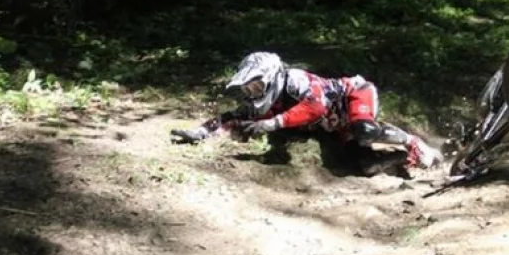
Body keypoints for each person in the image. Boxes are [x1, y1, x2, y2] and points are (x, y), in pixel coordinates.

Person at [171, 51, 443, 173]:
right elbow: (231, 118)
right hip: (335, 127)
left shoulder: (295, 79)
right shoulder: (265, 103)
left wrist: (272, 124)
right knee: (363, 165)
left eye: (257, 87)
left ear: (271, 78)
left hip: (354, 96)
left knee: (364, 129)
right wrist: (200, 132)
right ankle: (397, 158)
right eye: (249, 89)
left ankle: (413, 142)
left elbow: (316, 107)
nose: (253, 94)